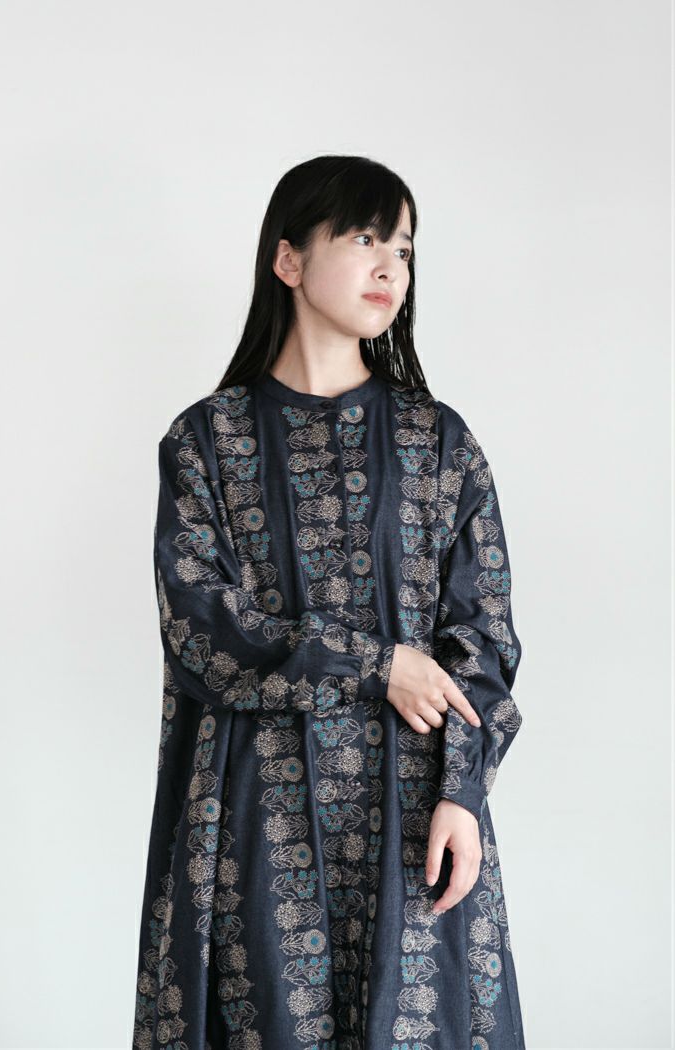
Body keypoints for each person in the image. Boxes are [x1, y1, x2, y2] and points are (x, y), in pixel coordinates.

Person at [133, 154, 526, 1050]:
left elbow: (484, 635)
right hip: (256, 815)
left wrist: (463, 793)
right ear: (289, 259)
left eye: (405, 248)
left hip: (415, 809)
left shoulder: (438, 442)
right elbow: (201, 627)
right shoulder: (207, 442)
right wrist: (377, 663)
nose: (392, 266)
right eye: (364, 239)